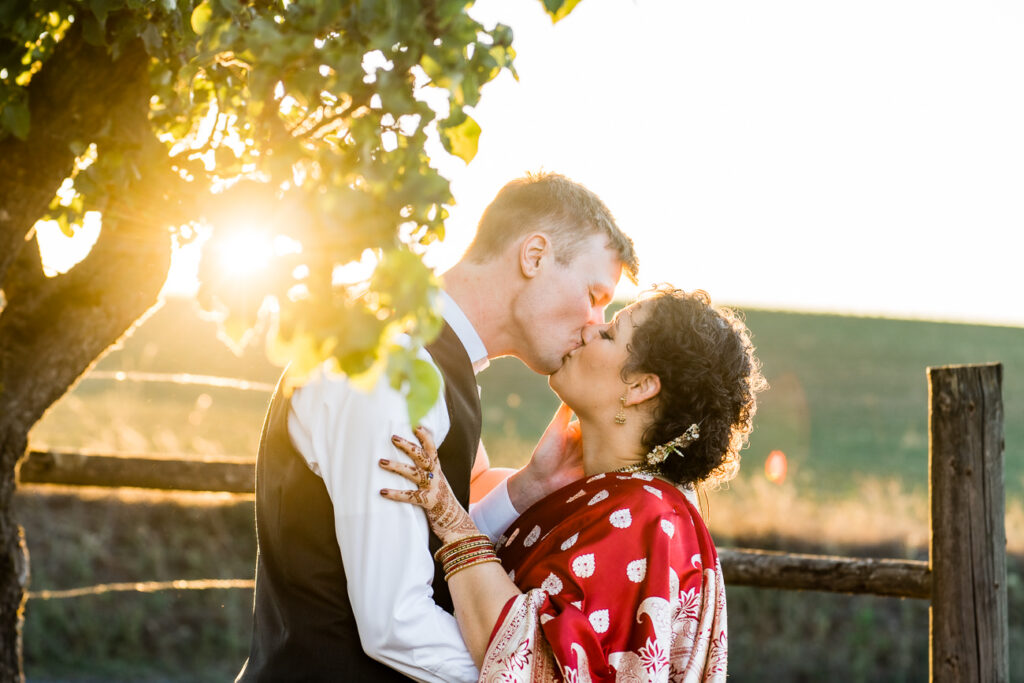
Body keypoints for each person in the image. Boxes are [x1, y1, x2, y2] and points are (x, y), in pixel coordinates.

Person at [236, 172, 639, 681]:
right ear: (534, 256)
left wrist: (530, 486)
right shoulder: (392, 367)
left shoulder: (431, 363)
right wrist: (526, 677)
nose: (594, 323)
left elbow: (425, 546)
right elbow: (396, 623)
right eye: (595, 293)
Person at [381, 286, 766, 682]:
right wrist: (532, 482)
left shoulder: (646, 516)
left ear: (639, 387)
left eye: (611, 333)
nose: (588, 330)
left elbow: (535, 663)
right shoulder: (613, 497)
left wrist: (451, 521)